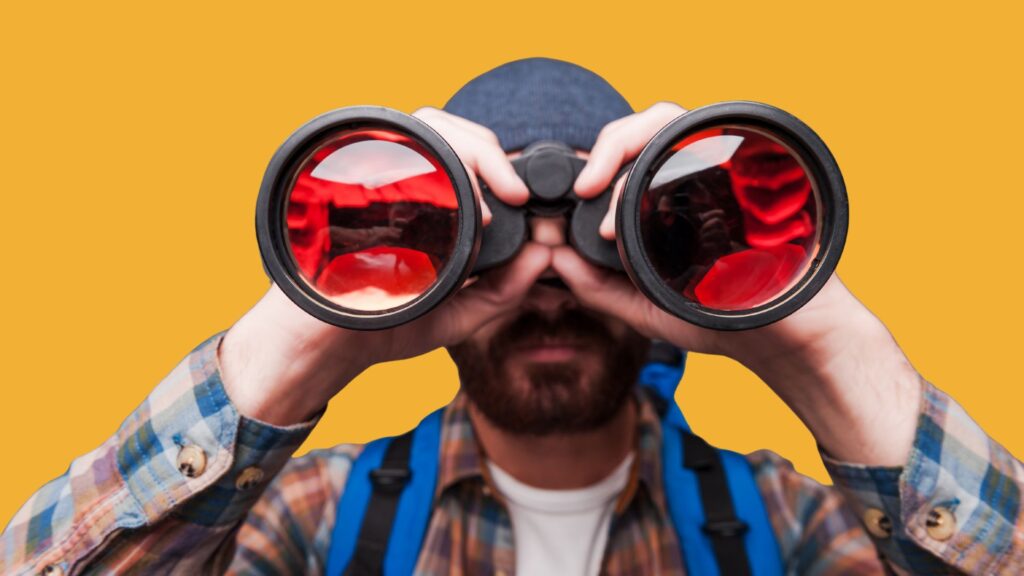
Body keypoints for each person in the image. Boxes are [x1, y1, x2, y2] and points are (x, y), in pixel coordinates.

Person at [2, 58, 1021, 576]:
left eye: (596, 230)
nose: (545, 277)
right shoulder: (309, 522)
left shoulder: (791, 526)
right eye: (485, 233)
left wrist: (821, 344)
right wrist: (299, 340)